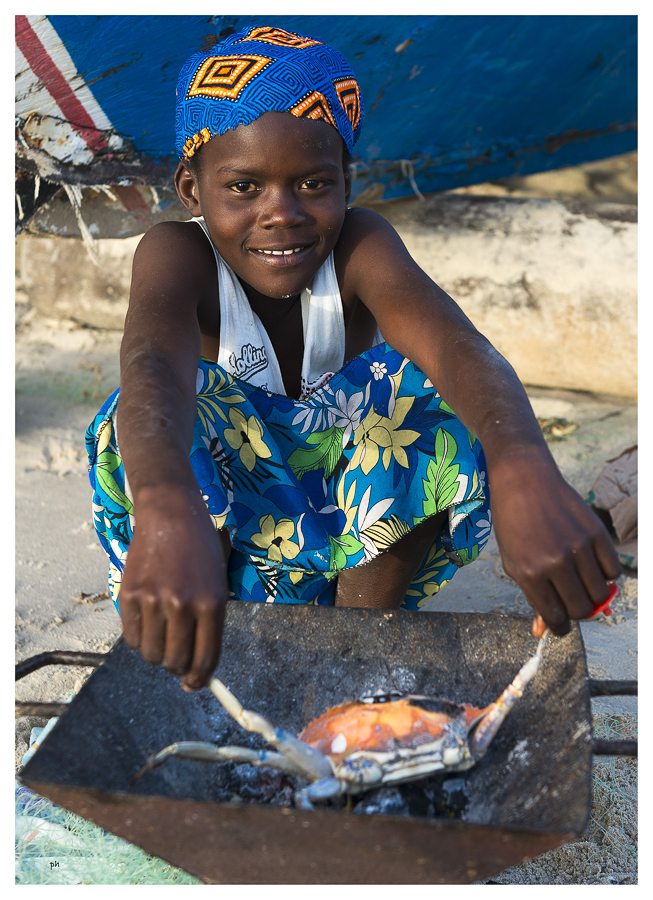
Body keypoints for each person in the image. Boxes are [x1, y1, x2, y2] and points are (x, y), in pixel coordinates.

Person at [87, 25, 621, 692]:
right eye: (244, 188)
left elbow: (458, 351)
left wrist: (525, 470)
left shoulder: (361, 246)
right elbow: (149, 368)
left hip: (344, 561)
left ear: (347, 181)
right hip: (189, 570)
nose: (281, 213)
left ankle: (354, 656)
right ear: (192, 192)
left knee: (425, 401)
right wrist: (167, 507)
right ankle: (210, 664)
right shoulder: (175, 254)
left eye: (313, 184)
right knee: (156, 408)